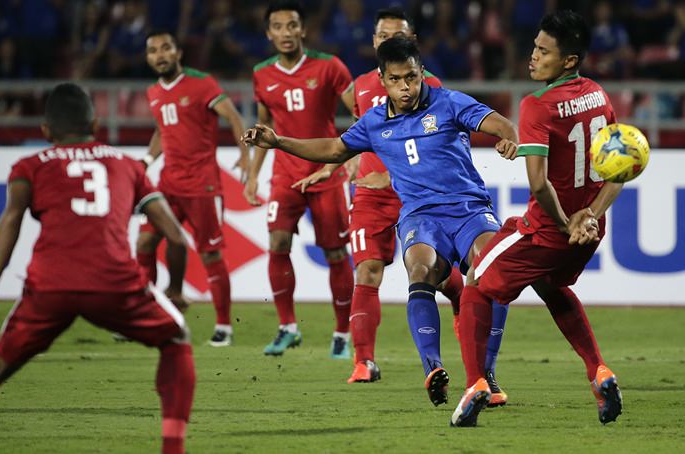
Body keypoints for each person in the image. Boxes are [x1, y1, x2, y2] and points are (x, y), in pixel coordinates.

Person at [243, 36, 519, 407]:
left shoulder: (449, 102)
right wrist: (278, 142)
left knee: (490, 270)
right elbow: (334, 149)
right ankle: (433, 369)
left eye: (412, 77)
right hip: (421, 216)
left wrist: (507, 138)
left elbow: (500, 122)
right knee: (419, 269)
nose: (406, 87)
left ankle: (486, 374)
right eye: (396, 79)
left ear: (422, 73)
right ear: (382, 79)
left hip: (468, 208)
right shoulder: (374, 122)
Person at [0, 83, 195, 454]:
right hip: (114, 283)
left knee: (1, 362)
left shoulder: (28, 166)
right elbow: (177, 238)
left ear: (46, 132)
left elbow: (10, 221)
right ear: (97, 124)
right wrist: (175, 290)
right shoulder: (127, 166)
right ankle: (173, 448)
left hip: (49, 288)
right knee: (176, 339)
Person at [451, 11, 624, 427]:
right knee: (552, 285)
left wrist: (565, 223)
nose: (533, 57)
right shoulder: (598, 95)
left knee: (474, 281)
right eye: (534, 47)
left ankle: (476, 383)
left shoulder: (537, 105)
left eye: (544, 52)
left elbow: (540, 185)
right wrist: (588, 219)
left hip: (548, 230)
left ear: (569, 60)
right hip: (587, 232)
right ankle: (599, 371)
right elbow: (619, 171)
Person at [243, 0, 355, 357]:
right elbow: (265, 130)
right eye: (278, 26)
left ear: (303, 29)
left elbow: (361, 111)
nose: (286, 33)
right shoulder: (262, 73)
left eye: (292, 25)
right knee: (277, 243)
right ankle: (287, 327)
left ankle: (342, 333)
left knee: (335, 252)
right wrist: (252, 175)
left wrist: (349, 157)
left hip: (325, 172)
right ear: (268, 33)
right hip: (285, 174)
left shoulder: (329, 67)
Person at [138, 30, 250, 347]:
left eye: (166, 48)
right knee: (145, 243)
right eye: (153, 51)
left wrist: (244, 153)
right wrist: (147, 160)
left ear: (178, 53)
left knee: (210, 253)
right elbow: (163, 129)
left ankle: (224, 327)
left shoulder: (202, 83)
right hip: (168, 184)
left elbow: (233, 116)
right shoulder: (153, 92)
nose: (160, 55)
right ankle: (147, 316)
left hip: (203, 185)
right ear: (148, 58)